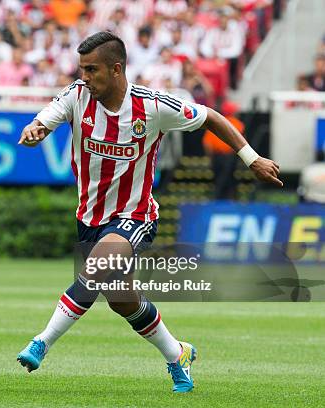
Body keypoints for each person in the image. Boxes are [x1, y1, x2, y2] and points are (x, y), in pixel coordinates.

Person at [16, 31, 282, 393]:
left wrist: (251, 159)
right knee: (122, 301)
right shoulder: (77, 97)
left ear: (116, 69)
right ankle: (178, 355)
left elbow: (212, 118)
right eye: (82, 69)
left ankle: (41, 342)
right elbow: (45, 118)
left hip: (135, 216)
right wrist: (36, 130)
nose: (85, 77)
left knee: (96, 270)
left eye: (92, 70)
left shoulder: (152, 106)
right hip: (89, 219)